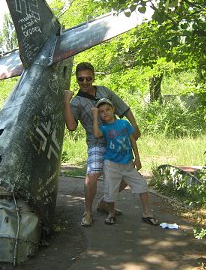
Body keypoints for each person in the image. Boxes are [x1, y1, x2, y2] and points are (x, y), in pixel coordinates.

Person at [63, 62, 141, 226]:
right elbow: (71, 126)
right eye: (81, 79)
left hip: (117, 140)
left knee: (128, 174)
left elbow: (123, 108)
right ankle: (88, 212)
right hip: (96, 142)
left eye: (88, 78)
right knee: (92, 175)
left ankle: (105, 203)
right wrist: (66, 102)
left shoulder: (104, 91)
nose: (85, 82)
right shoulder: (76, 102)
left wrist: (134, 126)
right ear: (77, 79)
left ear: (93, 77)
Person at [91, 98, 159, 225]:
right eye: (101, 111)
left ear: (113, 110)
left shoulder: (124, 124)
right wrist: (94, 116)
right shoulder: (104, 128)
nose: (105, 113)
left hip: (128, 164)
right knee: (110, 191)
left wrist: (137, 158)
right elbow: (96, 134)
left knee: (142, 186)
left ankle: (147, 213)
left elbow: (133, 140)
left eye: (107, 110)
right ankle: (111, 213)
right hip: (111, 164)